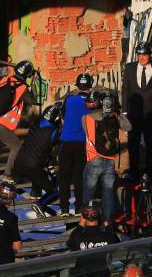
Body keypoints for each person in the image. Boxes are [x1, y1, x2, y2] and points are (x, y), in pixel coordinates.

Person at [0, 60, 35, 179]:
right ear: (28, 75)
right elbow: (32, 100)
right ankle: (8, 174)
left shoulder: (5, 79)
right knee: (16, 146)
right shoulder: (23, 88)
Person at [84, 92, 131, 224]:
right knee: (108, 193)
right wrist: (117, 112)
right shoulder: (114, 116)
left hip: (94, 158)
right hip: (110, 160)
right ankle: (107, 223)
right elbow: (128, 127)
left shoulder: (86, 117)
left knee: (88, 194)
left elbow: (86, 132)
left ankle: (86, 223)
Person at [14, 104, 62, 216]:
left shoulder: (35, 125)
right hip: (32, 167)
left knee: (41, 172)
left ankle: (35, 193)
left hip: (18, 163)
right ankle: (40, 203)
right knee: (55, 192)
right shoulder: (54, 131)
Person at [123, 41, 152, 178]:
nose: (142, 58)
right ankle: (133, 171)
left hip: (151, 113)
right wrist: (125, 111)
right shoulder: (130, 68)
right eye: (139, 55)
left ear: (150, 55)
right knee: (133, 143)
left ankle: (149, 171)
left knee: (150, 142)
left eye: (144, 55)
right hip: (134, 113)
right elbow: (126, 90)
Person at [59, 72, 95, 216]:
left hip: (66, 140)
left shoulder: (68, 99)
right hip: (81, 142)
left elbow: (63, 113)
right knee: (79, 176)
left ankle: (64, 208)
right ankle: (79, 207)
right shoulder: (92, 102)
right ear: (90, 86)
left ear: (78, 86)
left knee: (64, 176)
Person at [66, 201, 121, 277]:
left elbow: (70, 244)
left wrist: (80, 225)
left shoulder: (79, 237)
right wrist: (107, 226)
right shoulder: (107, 236)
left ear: (83, 216)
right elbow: (117, 243)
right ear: (100, 215)